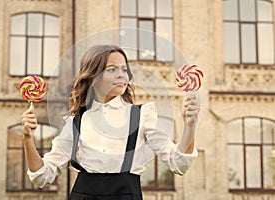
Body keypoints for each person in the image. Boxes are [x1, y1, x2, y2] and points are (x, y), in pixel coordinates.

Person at [21, 45, 200, 200]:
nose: (122, 75)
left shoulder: (142, 115)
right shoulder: (77, 122)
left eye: (124, 70)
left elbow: (178, 163)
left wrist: (190, 125)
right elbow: (42, 176)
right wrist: (28, 138)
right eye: (112, 69)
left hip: (127, 194)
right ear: (93, 76)